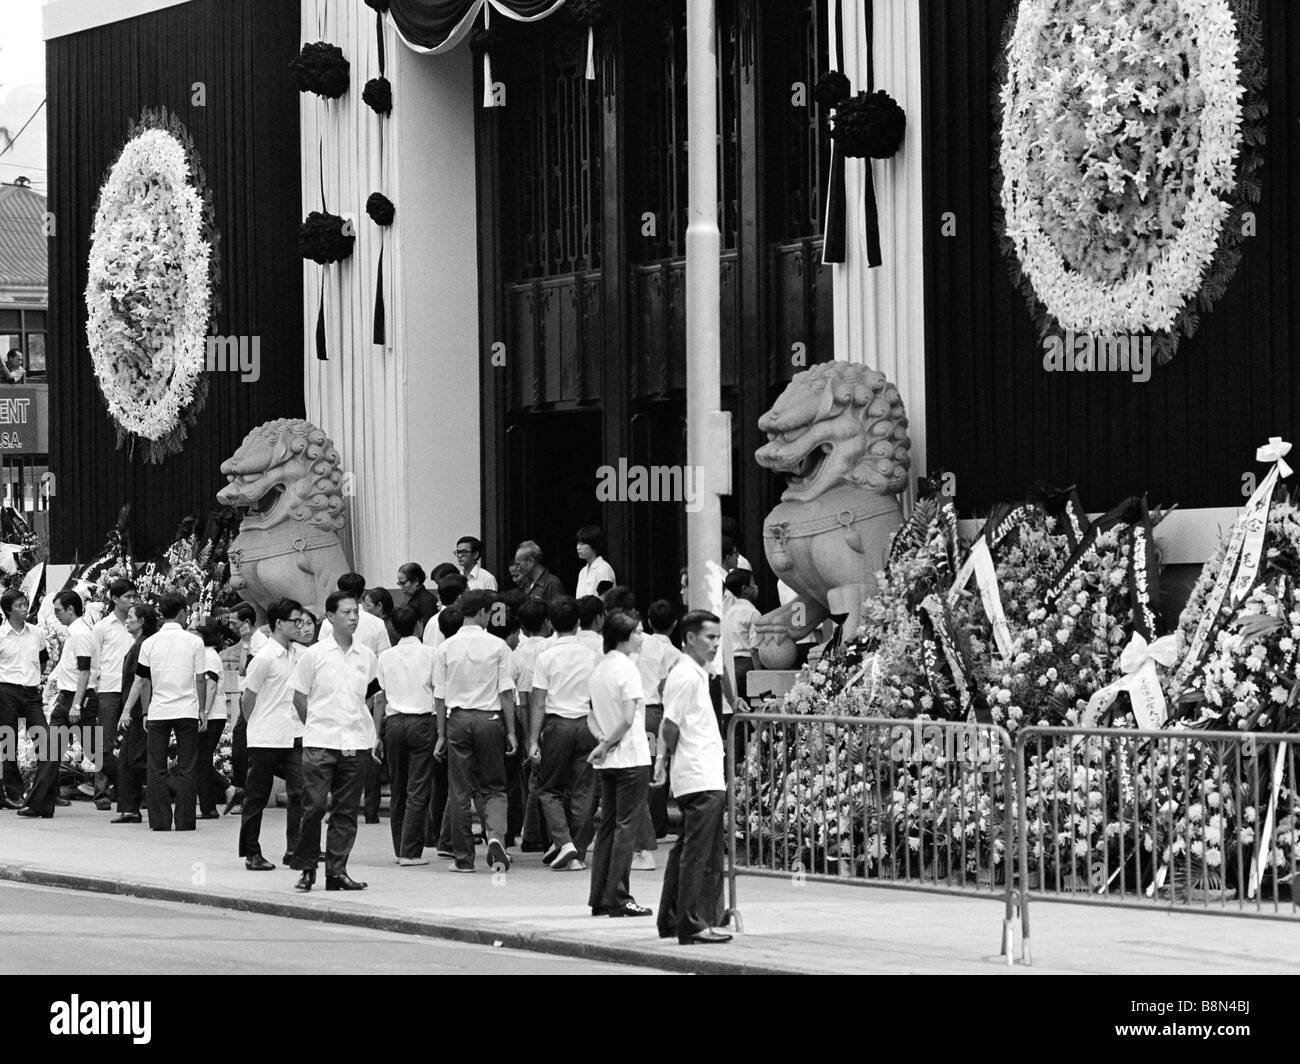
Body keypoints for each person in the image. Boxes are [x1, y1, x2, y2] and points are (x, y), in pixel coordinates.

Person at [289, 590, 380, 892]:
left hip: (355, 742)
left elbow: (372, 696)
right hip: (320, 741)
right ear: (330, 616)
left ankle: (337, 871)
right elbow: (299, 696)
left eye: (356, 612)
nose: (353, 618)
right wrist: (314, 725)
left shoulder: (366, 657)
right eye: (346, 613)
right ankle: (306, 867)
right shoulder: (313, 655)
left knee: (346, 810)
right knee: (313, 806)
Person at [656, 610, 732, 945]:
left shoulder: (696, 672)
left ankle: (672, 918)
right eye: (710, 638)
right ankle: (689, 921)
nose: (716, 645)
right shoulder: (686, 675)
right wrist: (663, 759)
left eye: (718, 638)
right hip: (699, 775)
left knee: (687, 848)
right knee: (697, 854)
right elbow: (669, 724)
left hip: (702, 773)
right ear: (689, 639)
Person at [433, 589, 516, 873]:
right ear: (483, 613)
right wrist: (512, 731)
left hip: (457, 719)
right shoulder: (499, 646)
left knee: (459, 790)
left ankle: (463, 859)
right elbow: (506, 692)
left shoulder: (446, 648)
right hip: (490, 719)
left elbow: (439, 696)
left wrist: (441, 734)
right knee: (494, 787)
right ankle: (495, 836)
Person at [586, 610, 653, 918]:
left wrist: (601, 741)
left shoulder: (599, 669)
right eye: (637, 632)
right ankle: (619, 897)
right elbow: (628, 719)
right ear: (624, 637)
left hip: (608, 760)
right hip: (630, 755)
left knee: (609, 827)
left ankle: (599, 896)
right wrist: (607, 743)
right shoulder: (627, 669)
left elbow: (590, 715)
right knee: (626, 827)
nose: (641, 636)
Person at [528, 596, 600, 872]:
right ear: (579, 623)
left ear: (550, 624)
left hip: (558, 724)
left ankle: (563, 841)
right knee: (584, 790)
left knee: (549, 789)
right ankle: (577, 852)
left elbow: (538, 701)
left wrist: (533, 739)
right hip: (587, 724)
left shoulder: (545, 656)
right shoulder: (593, 655)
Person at [238, 598, 306, 870]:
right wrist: (254, 725)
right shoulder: (264, 657)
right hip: (265, 735)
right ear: (279, 624)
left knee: (300, 791)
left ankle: (295, 849)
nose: (300, 626)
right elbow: (248, 697)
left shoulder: (298, 654)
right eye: (295, 621)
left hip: (293, 734)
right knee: (256, 797)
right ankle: (251, 853)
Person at [320, 574, 390, 824]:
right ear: (363, 592)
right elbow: (384, 659)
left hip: (340, 694)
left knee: (339, 752)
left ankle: (335, 806)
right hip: (369, 691)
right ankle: (370, 810)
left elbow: (323, 659)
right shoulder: (375, 623)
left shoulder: (330, 621)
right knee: (367, 748)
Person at [136, 593, 207, 832]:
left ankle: (159, 821)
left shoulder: (149, 643)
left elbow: (144, 682)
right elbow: (200, 679)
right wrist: (202, 709)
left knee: (156, 767)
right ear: (181, 612)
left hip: (158, 710)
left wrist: (145, 711)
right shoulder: (194, 642)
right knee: (188, 765)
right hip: (186, 709)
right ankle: (185, 820)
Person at [377, 605, 437, 866]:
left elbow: (380, 697)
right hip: (422, 720)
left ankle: (399, 846)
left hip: (393, 722)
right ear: (419, 625)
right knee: (418, 786)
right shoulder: (431, 654)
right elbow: (439, 692)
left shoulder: (385, 657)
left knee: (398, 786)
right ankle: (410, 850)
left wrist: (375, 734)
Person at [24, 591, 91, 819]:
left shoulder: (80, 634)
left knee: (98, 753)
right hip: (67, 698)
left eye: (58, 611)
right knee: (52, 752)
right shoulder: (74, 633)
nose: (56, 616)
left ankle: (135, 788)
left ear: (71, 609)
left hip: (75, 699)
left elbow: (85, 671)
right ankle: (41, 802)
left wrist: (77, 705)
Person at [636, 599, 682, 844]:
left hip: (634, 712)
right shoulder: (674, 653)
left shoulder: (637, 643)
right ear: (675, 624)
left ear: (649, 621)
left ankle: (644, 824)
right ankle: (655, 823)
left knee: (638, 767)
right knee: (656, 766)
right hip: (655, 714)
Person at [90, 579, 138, 810]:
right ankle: (101, 792)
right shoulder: (102, 627)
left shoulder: (137, 625)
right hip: (108, 688)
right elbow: (94, 660)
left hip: (132, 690)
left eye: (134, 597)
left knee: (131, 743)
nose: (132, 601)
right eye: (128, 597)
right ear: (115, 598)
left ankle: (126, 790)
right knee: (104, 742)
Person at [0, 590, 46, 811]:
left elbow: (44, 660)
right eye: (20, 605)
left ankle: (45, 792)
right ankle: (14, 791)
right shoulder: (0, 635)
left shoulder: (36, 633)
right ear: (8, 610)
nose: (25, 608)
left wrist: (32, 677)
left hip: (31, 691)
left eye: (26, 604)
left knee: (45, 741)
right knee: (8, 743)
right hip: (6, 690)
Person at [511, 599, 551, 852]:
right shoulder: (552, 647)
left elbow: (522, 700)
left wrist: (527, 735)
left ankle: (532, 831)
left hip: (526, 717)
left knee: (531, 778)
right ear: (547, 622)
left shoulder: (518, 653)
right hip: (550, 715)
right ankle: (537, 832)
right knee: (544, 779)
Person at [111, 603, 157, 823]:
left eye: (131, 617)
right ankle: (130, 809)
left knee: (135, 760)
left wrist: (127, 710)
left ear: (141, 622)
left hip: (140, 711)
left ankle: (140, 804)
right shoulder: (138, 644)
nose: (126, 620)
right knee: (128, 760)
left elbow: (140, 681)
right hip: (137, 710)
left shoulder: (143, 646)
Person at [425, 605, 463, 855]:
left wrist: (440, 733)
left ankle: (437, 834)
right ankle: (448, 836)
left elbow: (436, 691)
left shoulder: (440, 652)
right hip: (458, 718)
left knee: (442, 783)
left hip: (442, 719)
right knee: (460, 784)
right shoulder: (470, 649)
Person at [224, 602, 259, 816]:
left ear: (246, 623)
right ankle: (244, 792)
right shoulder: (249, 642)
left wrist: (246, 643)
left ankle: (246, 793)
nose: (231, 627)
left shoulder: (259, 643)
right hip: (245, 696)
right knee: (240, 746)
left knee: (241, 746)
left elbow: (245, 669)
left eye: (234, 623)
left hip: (253, 700)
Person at [194, 623, 230, 820]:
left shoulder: (208, 655)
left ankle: (209, 807)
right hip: (210, 714)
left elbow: (211, 686)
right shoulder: (205, 654)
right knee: (202, 760)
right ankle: (227, 790)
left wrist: (204, 713)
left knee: (201, 760)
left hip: (212, 714)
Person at [723, 569, 759, 701]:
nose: (756, 587)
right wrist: (759, 673)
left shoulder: (728, 613)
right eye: (753, 584)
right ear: (745, 589)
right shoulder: (752, 613)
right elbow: (754, 648)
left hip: (729, 665)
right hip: (746, 664)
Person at [422, 574, 467, 652]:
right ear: (460, 598)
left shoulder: (462, 618)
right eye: (468, 593)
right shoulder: (436, 623)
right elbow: (434, 654)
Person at [575, 525, 616, 598]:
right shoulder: (582, 572)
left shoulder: (604, 569)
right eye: (578, 543)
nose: (578, 547)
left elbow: (606, 599)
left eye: (582, 544)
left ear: (594, 544)